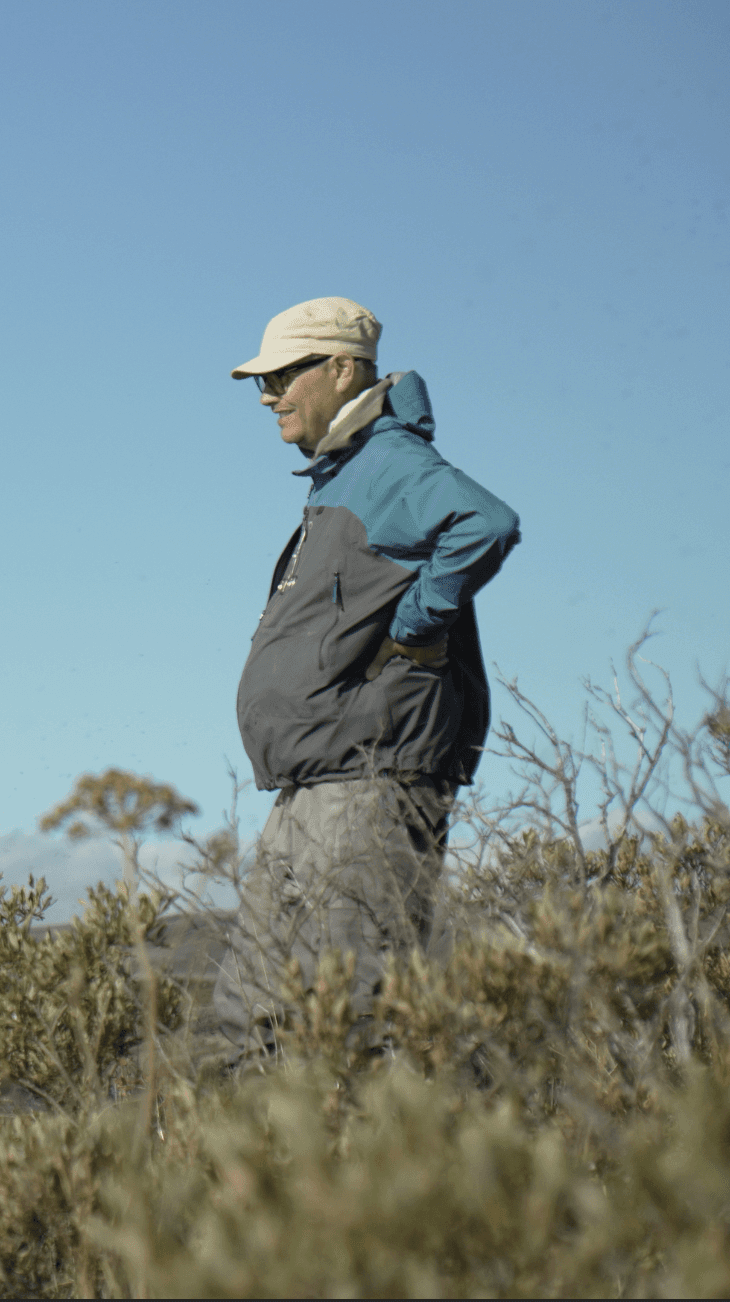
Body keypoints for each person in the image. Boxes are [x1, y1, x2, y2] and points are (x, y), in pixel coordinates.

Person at [215, 297, 521, 1066]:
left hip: (368, 784)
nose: (269, 396)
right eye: (262, 380)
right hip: (315, 784)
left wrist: (418, 627)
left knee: (358, 1019)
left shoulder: (389, 463)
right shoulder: (343, 474)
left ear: (341, 369)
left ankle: (386, 1178)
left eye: (284, 375)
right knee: (258, 1014)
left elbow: (485, 522)